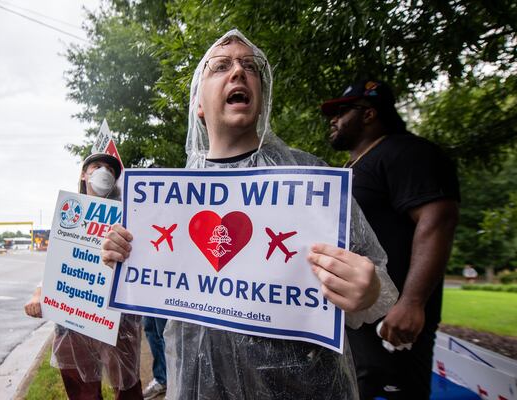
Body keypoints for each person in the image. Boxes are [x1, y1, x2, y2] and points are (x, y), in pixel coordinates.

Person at [101, 29, 398, 399]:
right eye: (221, 66)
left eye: (250, 66)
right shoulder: (163, 201)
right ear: (198, 102)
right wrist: (120, 255)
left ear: (261, 92)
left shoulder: (312, 181)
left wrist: (367, 290)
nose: (238, 72)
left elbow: (380, 286)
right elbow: (144, 286)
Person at [321, 80, 460, 399]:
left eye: (342, 111)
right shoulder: (355, 165)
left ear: (369, 113)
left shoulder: (406, 152)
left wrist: (411, 303)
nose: (333, 119)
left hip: (392, 323)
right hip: (355, 319)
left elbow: (438, 218)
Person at [24, 152, 143, 400]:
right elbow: (59, 262)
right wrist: (39, 293)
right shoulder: (69, 214)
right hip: (72, 320)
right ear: (83, 174)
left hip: (118, 319)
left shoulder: (131, 215)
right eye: (97, 166)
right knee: (82, 392)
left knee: (127, 388)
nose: (103, 172)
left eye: (110, 170)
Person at [141, 317, 167, 399]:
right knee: (150, 328)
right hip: (149, 304)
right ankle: (161, 379)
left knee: (164, 332)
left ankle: (171, 382)